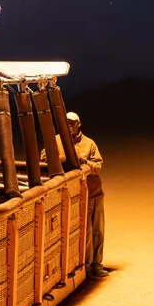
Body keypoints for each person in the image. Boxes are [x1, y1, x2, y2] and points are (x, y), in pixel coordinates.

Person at [41, 111, 108, 280]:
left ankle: (97, 264)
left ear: (79, 123)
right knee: (83, 230)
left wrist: (86, 163)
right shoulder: (56, 141)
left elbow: (98, 165)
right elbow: (44, 158)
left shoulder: (89, 143)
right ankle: (85, 266)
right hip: (74, 194)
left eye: (72, 123)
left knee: (98, 229)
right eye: (66, 123)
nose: (69, 126)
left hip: (94, 191)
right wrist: (70, 158)